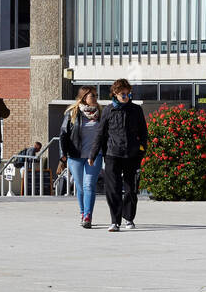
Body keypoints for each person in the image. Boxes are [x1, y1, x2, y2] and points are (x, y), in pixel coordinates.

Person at [93, 79, 147, 232]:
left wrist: (142, 150)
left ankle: (129, 218)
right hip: (112, 154)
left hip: (132, 154)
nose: (125, 96)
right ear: (115, 94)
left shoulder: (136, 110)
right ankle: (114, 221)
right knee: (113, 188)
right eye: (122, 93)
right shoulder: (108, 110)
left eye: (127, 93)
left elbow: (143, 132)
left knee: (131, 188)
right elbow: (100, 134)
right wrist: (93, 153)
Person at [59, 87, 103, 229]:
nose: (95, 98)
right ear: (84, 97)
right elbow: (63, 135)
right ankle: (82, 212)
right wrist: (62, 155)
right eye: (92, 96)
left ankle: (88, 216)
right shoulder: (72, 113)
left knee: (89, 185)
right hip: (75, 155)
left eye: (96, 96)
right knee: (80, 187)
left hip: (94, 155)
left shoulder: (100, 113)